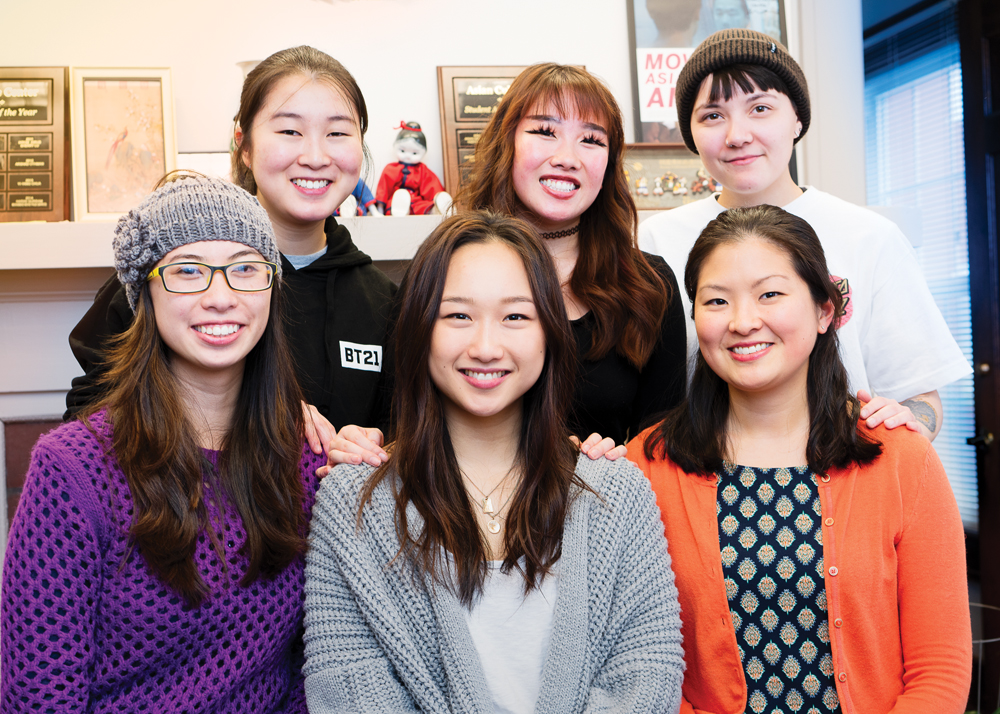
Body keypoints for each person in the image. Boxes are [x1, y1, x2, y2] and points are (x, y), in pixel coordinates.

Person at [302, 211, 685, 713]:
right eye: (458, 315)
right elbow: (347, 686)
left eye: (516, 316)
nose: (486, 347)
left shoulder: (617, 492)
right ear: (419, 328)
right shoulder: (352, 502)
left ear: (550, 331)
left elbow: (647, 670)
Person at [627, 205, 971, 714]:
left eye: (770, 294)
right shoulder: (647, 466)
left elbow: (939, 666)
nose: (744, 322)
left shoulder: (900, 456)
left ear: (824, 311)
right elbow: (639, 665)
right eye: (717, 300)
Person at [2, 176, 326, 712]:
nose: (220, 297)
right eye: (187, 271)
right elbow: (39, 694)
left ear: (271, 287)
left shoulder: (307, 461)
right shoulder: (73, 469)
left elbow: (310, 672)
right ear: (144, 293)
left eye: (246, 269)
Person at [638, 29, 970, 441]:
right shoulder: (656, 241)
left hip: (843, 480)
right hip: (699, 481)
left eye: (760, 108)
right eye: (712, 116)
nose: (737, 135)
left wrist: (908, 424)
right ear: (690, 134)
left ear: (797, 118)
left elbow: (921, 394)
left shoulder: (870, 237)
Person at [63, 45, 397, 452]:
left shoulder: (384, 301)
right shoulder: (172, 273)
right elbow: (88, 417)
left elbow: (408, 431)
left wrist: (377, 444)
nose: (315, 156)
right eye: (290, 131)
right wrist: (249, 418)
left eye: (338, 133)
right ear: (244, 143)